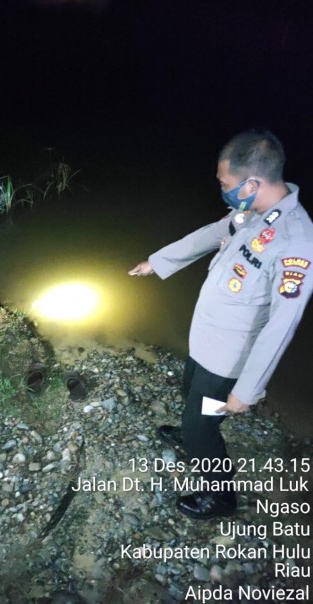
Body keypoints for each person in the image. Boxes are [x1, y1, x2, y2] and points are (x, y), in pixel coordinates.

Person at [129, 129, 313, 519]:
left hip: (228, 360)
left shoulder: (296, 242)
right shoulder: (253, 212)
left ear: (252, 182)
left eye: (225, 183)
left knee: (203, 427)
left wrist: (248, 389)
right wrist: (159, 262)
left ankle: (220, 497)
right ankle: (192, 429)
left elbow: (283, 324)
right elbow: (214, 233)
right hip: (205, 339)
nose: (222, 189)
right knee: (188, 392)